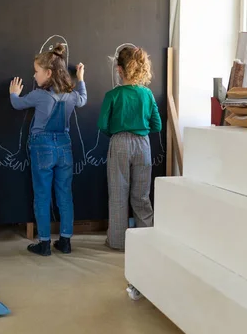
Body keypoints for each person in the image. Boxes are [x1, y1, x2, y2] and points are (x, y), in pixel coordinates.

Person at [9, 43, 87, 256]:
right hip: (64, 147)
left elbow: (17, 105)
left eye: (36, 72)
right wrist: (80, 79)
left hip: (42, 148)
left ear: (48, 73)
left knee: (42, 194)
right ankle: (65, 240)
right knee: (65, 194)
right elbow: (83, 99)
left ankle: (44, 243)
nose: (34, 76)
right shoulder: (72, 95)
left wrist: (14, 94)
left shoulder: (38, 95)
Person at [97, 46, 162, 251]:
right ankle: (146, 241)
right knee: (141, 195)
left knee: (118, 193)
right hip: (143, 145)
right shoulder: (148, 94)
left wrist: (116, 133)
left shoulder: (113, 95)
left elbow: (101, 124)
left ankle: (117, 242)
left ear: (119, 69)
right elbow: (157, 125)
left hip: (119, 143)